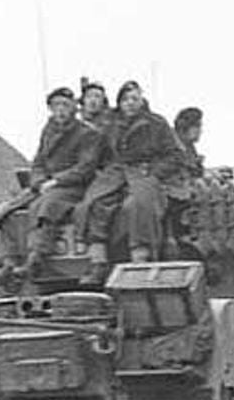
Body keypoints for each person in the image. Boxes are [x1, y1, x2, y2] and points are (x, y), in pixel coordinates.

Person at [73, 81, 185, 283]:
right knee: (95, 203)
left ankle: (140, 258)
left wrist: (155, 173)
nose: (130, 103)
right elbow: (99, 153)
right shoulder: (111, 125)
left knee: (136, 206)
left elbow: (175, 155)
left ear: (142, 100)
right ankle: (98, 261)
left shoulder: (157, 124)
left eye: (135, 98)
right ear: (119, 103)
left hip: (145, 172)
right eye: (125, 99)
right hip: (116, 172)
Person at [0, 87, 104, 279]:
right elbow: (38, 162)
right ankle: (9, 262)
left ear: (74, 107)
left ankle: (36, 257)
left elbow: (85, 167)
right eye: (56, 105)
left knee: (48, 206)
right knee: (6, 211)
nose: (61, 110)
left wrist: (56, 181)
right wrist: (39, 182)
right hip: (46, 185)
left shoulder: (87, 134)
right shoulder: (48, 131)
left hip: (74, 186)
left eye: (65, 105)